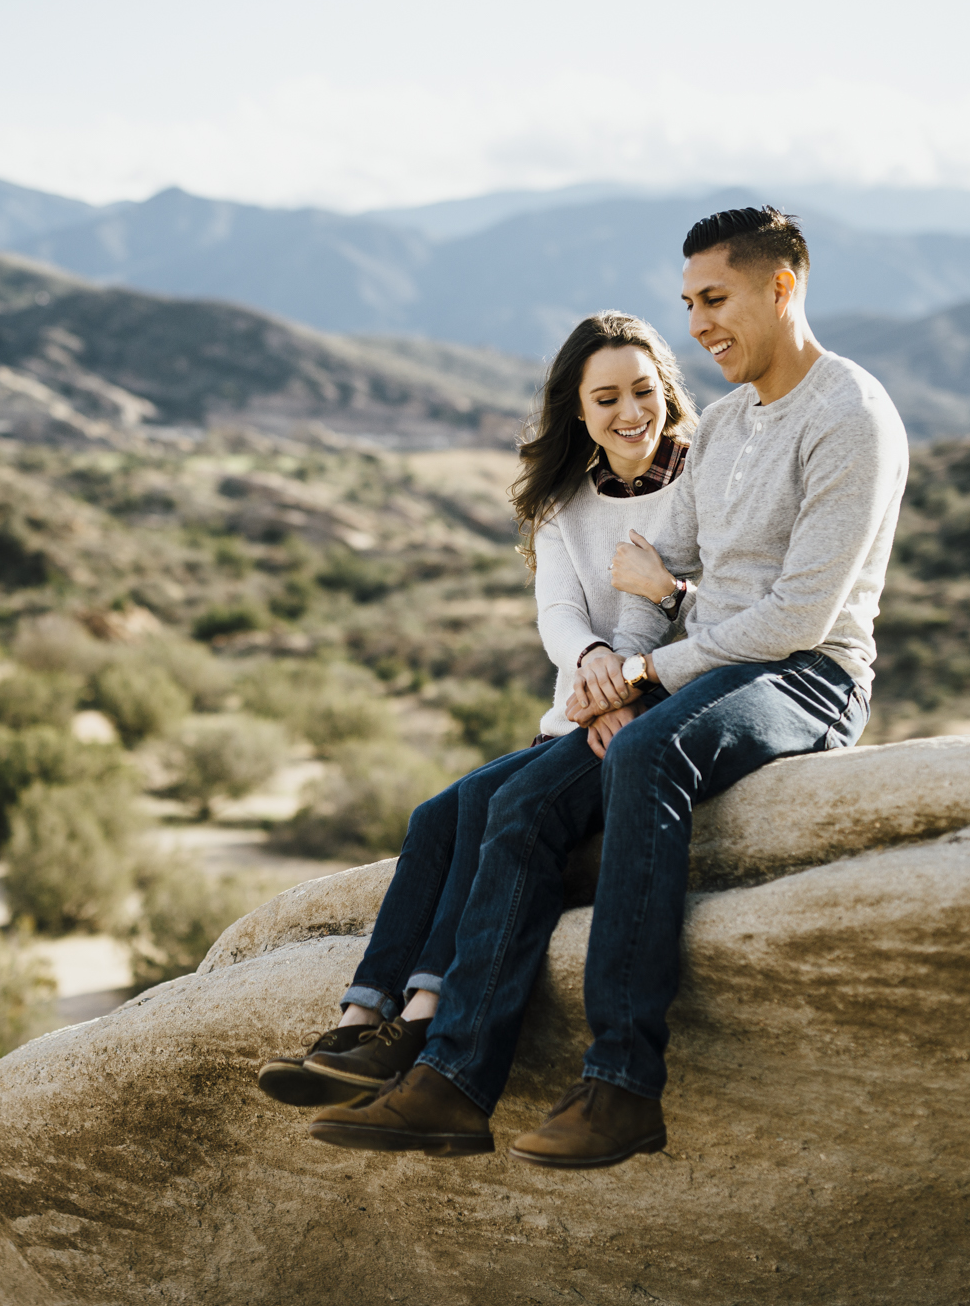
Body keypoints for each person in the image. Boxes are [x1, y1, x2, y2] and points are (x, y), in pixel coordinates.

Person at [308, 206, 909, 1165]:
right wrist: (617, 677)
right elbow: (647, 565)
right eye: (690, 302)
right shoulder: (719, 427)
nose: (700, 323)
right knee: (519, 801)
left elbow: (798, 618)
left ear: (782, 285)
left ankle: (623, 1080)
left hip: (807, 677)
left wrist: (641, 677)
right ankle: (452, 1081)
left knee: (648, 754)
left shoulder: (850, 414)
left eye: (715, 299)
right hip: (698, 669)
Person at [255, 310, 700, 1110]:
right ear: (578, 411)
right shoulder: (564, 503)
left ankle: (424, 1017)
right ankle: (363, 1016)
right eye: (607, 398)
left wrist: (620, 687)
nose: (630, 412)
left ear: (667, 390)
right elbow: (559, 615)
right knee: (437, 814)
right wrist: (594, 667)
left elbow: (677, 613)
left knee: (498, 805)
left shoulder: (699, 482)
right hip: (585, 698)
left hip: (652, 704)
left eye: (643, 390)